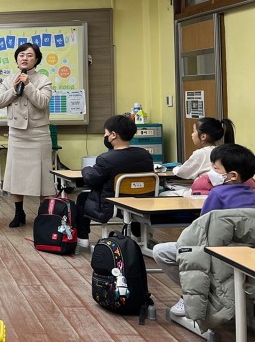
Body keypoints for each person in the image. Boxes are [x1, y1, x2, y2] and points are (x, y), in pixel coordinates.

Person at [153, 143, 255, 317]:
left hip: (213, 255)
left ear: (232, 175)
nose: (210, 172)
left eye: (215, 168)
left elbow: (201, 229)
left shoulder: (217, 194)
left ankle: (192, 294)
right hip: (245, 257)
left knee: (160, 251)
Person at [0, 43, 55, 227]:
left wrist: (28, 85)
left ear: (36, 59)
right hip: (17, 134)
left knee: (43, 176)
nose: (25, 58)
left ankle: (43, 215)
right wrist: (13, 89)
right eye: (21, 55)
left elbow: (42, 102)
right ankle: (18, 213)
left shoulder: (43, 80)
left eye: (29, 55)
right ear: (16, 59)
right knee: (16, 175)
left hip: (38, 133)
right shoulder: (8, 80)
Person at [75, 115, 154, 248]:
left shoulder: (106, 159)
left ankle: (82, 237)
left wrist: (86, 169)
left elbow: (92, 180)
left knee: (83, 197)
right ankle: (138, 233)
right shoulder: (145, 155)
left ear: (113, 135)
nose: (105, 137)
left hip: (112, 206)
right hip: (141, 203)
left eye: (105, 133)